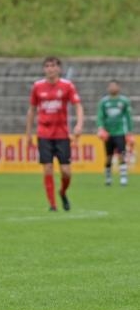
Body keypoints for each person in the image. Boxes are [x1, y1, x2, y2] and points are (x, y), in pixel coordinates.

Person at [25, 57, 84, 211]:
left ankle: (62, 192)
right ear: (44, 69)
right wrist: (28, 133)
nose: (50, 69)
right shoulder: (37, 86)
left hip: (62, 135)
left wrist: (79, 124)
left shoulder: (67, 85)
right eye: (47, 66)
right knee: (48, 168)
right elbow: (31, 110)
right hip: (44, 134)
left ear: (59, 68)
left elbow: (78, 106)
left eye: (53, 66)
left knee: (66, 171)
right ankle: (52, 204)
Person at [96, 80, 134, 186]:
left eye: (114, 86)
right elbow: (100, 116)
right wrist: (100, 128)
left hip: (120, 132)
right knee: (108, 156)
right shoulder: (104, 102)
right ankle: (108, 177)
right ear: (108, 88)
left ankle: (123, 177)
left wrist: (129, 132)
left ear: (118, 87)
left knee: (122, 154)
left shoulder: (124, 101)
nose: (112, 88)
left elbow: (128, 117)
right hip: (108, 133)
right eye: (110, 86)